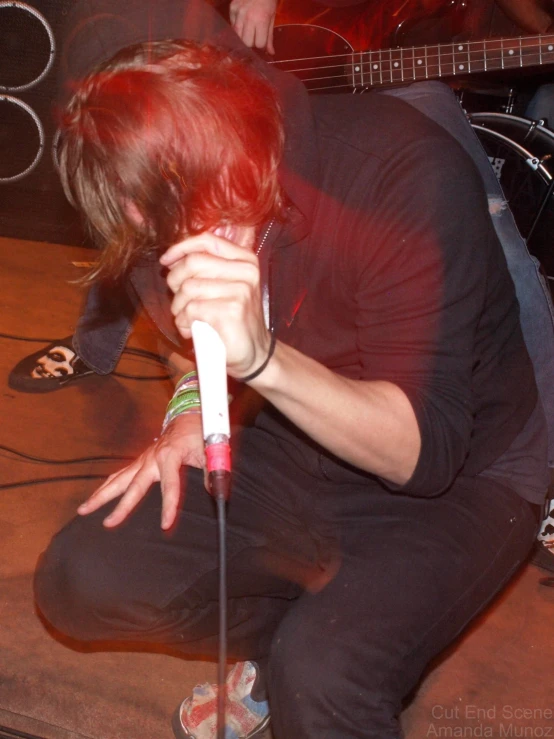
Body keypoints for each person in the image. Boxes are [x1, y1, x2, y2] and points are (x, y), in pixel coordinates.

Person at [32, 0, 549, 737]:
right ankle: (291, 633)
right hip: (289, 435)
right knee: (78, 578)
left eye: (183, 202)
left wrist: (265, 359)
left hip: (463, 470)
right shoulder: (150, 210)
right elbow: (186, 347)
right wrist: (188, 411)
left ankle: (321, 642)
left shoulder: (399, 170)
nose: (168, 241)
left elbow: (423, 452)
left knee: (324, 670)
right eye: (142, 220)